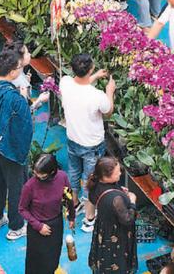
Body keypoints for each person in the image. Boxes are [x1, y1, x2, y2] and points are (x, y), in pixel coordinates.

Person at [0, 50, 34, 241]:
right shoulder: (15, 97)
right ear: (12, 72)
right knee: (16, 187)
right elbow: (24, 127)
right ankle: (16, 226)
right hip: (10, 149)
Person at [59, 54, 116, 233]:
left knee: (74, 173)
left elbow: (80, 84)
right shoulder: (97, 96)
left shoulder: (65, 82)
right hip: (92, 145)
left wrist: (95, 77)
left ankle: (74, 205)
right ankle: (89, 219)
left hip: (73, 139)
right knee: (90, 181)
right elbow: (108, 111)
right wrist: (110, 91)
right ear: (90, 69)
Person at [19, 154, 75, 274]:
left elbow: (68, 197)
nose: (37, 177)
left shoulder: (62, 177)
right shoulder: (30, 186)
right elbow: (22, 209)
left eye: (42, 176)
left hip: (56, 224)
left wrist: (72, 217)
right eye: (35, 173)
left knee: (53, 259)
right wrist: (39, 226)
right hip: (37, 229)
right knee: (35, 263)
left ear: (52, 172)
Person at [87, 157, 138, 273]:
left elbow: (94, 199)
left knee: (104, 255)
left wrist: (119, 190)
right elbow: (128, 219)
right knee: (116, 258)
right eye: (117, 172)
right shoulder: (116, 199)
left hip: (103, 228)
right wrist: (132, 201)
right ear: (106, 176)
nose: (120, 173)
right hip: (116, 232)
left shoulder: (96, 183)